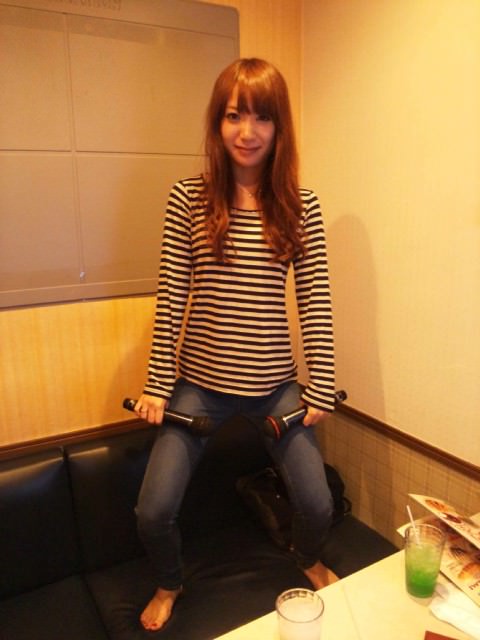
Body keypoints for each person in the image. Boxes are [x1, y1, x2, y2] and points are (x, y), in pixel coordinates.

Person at [134, 57, 338, 632]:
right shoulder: (187, 199)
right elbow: (171, 296)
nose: (247, 132)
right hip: (199, 386)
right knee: (152, 509)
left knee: (318, 503)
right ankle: (169, 582)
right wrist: (157, 385)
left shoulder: (301, 205)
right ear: (217, 123)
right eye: (233, 116)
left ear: (279, 127)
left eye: (261, 118)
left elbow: (315, 300)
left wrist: (321, 384)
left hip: (275, 387)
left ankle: (307, 557)